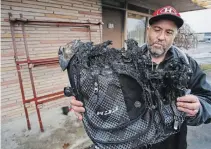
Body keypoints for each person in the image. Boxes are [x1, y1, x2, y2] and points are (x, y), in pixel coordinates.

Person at [69, 6, 211, 149]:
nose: (161, 37)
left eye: (169, 32)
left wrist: (199, 108)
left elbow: (208, 99)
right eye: (157, 29)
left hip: (172, 143)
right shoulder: (125, 62)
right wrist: (86, 103)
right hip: (133, 142)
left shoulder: (187, 65)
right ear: (148, 30)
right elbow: (105, 95)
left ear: (175, 36)